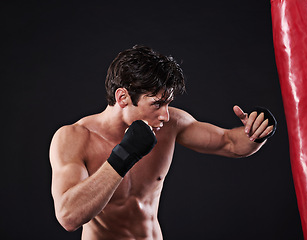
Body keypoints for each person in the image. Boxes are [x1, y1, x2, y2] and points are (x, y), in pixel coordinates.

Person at [49, 45, 276, 240]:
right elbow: (69, 217)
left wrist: (256, 130)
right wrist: (123, 155)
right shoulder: (74, 137)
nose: (166, 116)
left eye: (168, 104)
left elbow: (230, 144)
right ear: (122, 97)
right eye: (157, 104)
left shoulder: (170, 124)